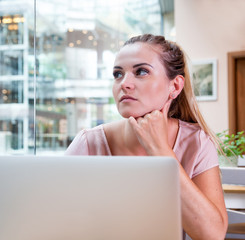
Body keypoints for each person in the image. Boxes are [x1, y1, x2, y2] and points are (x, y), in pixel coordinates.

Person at [65, 34, 228, 239]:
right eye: (118, 74)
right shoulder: (88, 142)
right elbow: (55, 219)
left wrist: (160, 150)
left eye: (141, 71)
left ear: (175, 86)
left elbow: (211, 235)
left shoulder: (197, 141)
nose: (124, 84)